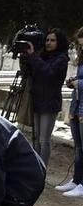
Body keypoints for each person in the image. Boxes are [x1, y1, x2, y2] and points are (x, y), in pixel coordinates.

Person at [24, 28, 70, 165]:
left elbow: (48, 72)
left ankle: (42, 168)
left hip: (49, 103)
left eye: (53, 40)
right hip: (37, 100)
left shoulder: (62, 59)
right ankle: (35, 166)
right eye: (47, 40)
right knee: (37, 138)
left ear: (59, 42)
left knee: (44, 139)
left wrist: (33, 57)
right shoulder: (42, 56)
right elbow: (35, 72)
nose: (49, 43)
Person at [56, 27, 83, 198]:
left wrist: (79, 83)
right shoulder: (81, 59)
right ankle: (76, 180)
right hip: (76, 105)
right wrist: (72, 81)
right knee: (79, 148)